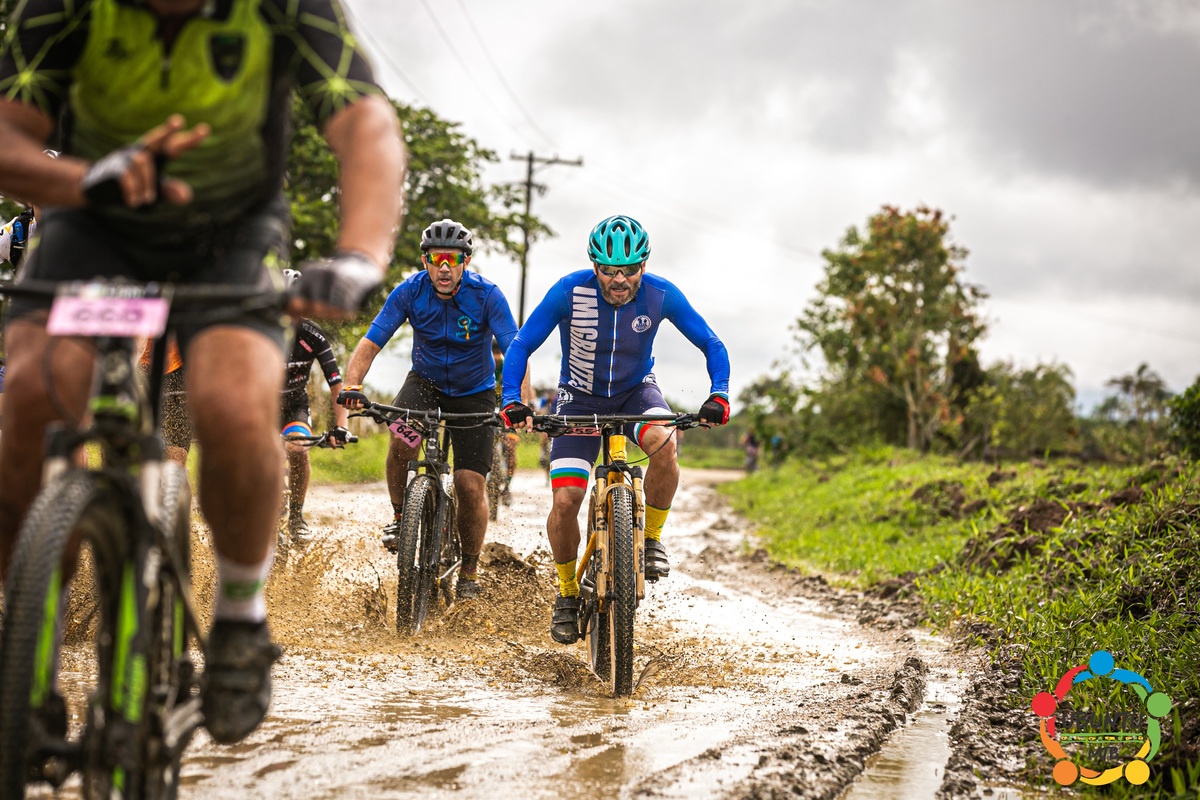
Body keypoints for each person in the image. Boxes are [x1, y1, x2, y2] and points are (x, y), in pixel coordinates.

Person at [0, 0, 404, 746]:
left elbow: (364, 123)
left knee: (234, 404)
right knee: (31, 393)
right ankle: (25, 631)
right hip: (92, 215)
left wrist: (359, 254)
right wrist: (85, 179)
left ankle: (241, 619)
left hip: (231, 232)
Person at [499, 214, 731, 644]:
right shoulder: (569, 291)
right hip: (578, 398)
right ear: (594, 266)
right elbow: (522, 343)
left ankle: (652, 539)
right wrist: (512, 399)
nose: (619, 280)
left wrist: (719, 394)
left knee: (665, 446)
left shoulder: (661, 294)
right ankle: (567, 592)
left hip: (636, 393)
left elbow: (711, 343)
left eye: (629, 270)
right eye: (608, 270)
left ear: (644, 266)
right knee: (566, 500)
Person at [338, 219, 526, 601]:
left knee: (469, 485)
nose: (443, 267)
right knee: (401, 441)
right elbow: (372, 341)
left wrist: (516, 402)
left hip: (474, 393)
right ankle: (399, 516)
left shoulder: (487, 296)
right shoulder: (410, 291)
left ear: (466, 261)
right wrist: (352, 385)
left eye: (452, 259)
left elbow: (515, 349)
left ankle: (469, 571)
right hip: (424, 384)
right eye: (436, 259)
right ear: (425, 261)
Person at [279, 268, 351, 541]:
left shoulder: (313, 335)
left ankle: (296, 516)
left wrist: (341, 426)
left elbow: (336, 384)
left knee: (298, 449)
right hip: (260, 406)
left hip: (294, 406)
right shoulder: (258, 331)